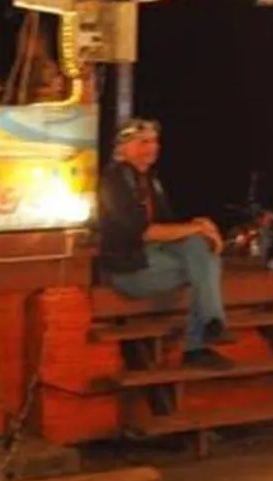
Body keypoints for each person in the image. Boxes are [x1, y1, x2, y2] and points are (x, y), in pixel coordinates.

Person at [95, 117, 237, 368]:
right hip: (130, 271)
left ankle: (210, 326)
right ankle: (201, 339)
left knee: (199, 249)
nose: (152, 147)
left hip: (156, 260)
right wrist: (196, 229)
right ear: (123, 147)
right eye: (143, 142)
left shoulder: (150, 180)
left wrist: (199, 225)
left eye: (155, 141)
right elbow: (143, 232)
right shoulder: (113, 182)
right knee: (206, 266)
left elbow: (168, 226)